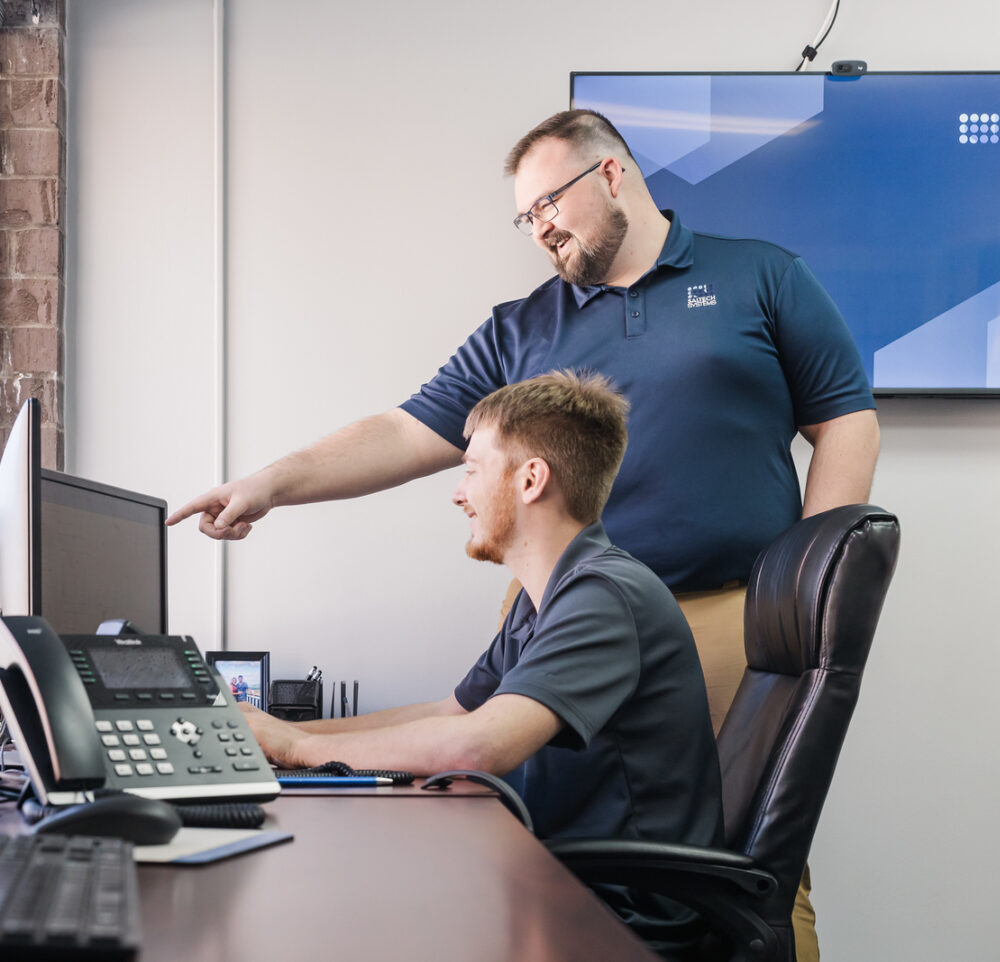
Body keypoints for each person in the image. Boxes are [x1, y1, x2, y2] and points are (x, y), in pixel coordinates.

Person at [168, 109, 879, 960]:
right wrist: (270, 485)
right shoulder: (523, 326)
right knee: (535, 826)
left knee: (750, 865)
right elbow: (404, 433)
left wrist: (796, 594)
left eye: (548, 202)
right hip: (562, 598)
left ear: (611, 174)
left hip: (729, 611)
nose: (538, 227)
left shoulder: (758, 276)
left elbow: (846, 420)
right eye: (524, 215)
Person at [238, 372, 723, 868]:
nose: (458, 493)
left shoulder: (603, 596)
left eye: (471, 469)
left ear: (530, 480)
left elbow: (477, 747)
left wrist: (297, 747)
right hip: (561, 874)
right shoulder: (541, 600)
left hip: (624, 909)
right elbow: (451, 713)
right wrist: (284, 733)